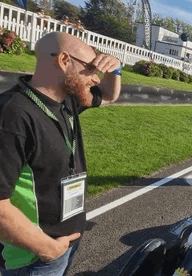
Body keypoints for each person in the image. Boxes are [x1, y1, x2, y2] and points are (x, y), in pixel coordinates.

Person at [0, 32, 122, 275]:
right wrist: (48, 249)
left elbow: (109, 96)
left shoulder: (66, 99)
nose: (96, 78)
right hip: (33, 256)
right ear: (64, 60)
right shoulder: (12, 114)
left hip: (64, 242)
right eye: (90, 67)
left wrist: (114, 70)